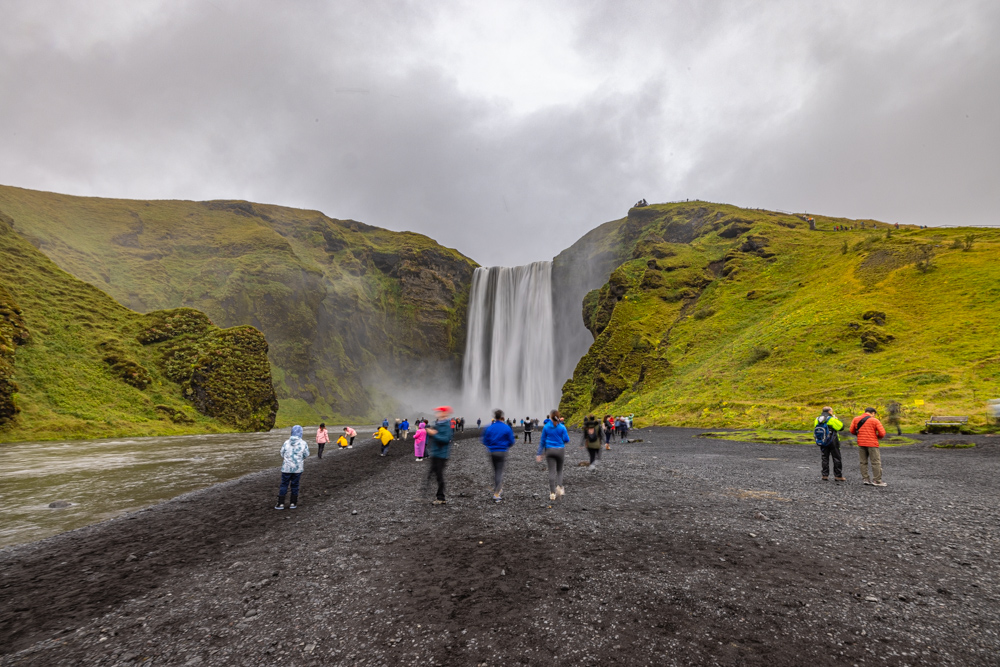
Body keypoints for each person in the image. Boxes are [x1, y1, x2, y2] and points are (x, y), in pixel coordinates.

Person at [481, 409, 516, 502]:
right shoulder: (506, 427)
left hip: (492, 452)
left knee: (495, 470)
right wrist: (506, 446)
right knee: (499, 471)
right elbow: (512, 441)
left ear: (494, 417)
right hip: (502, 451)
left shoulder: (489, 427)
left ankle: (497, 488)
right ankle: (496, 493)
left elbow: (484, 440)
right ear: (502, 417)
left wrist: (490, 445)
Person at [537, 410, 570, 500]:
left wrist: (539, 453)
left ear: (551, 417)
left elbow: (542, 441)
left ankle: (552, 493)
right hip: (560, 450)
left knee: (551, 471)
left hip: (549, 450)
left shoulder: (546, 427)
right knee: (559, 470)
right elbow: (567, 439)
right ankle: (559, 487)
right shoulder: (562, 427)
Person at [275, 425, 310, 510]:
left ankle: (281, 504)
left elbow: (282, 453)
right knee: (295, 485)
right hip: (298, 468)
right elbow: (306, 454)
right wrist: (299, 459)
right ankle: (293, 503)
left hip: (286, 468)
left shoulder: (286, 442)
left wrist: (287, 459)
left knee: (284, 485)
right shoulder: (303, 443)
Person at [851, 407, 888, 486]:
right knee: (875, 462)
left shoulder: (856, 419)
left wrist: (859, 435)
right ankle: (877, 480)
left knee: (863, 462)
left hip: (861, 443)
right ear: (873, 413)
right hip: (872, 444)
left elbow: (852, 430)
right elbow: (882, 432)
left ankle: (866, 479)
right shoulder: (874, 420)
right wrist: (878, 437)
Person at [426, 406, 454, 504]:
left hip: (442, 454)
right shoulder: (437, 423)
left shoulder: (446, 425)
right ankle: (426, 494)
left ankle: (441, 497)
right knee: (431, 474)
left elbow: (446, 439)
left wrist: (434, 434)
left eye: (439, 412)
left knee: (439, 475)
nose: (436, 413)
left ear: (444, 413)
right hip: (435, 452)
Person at [813, 407, 846, 482]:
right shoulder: (831, 419)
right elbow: (841, 427)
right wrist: (836, 419)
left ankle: (825, 475)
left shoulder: (817, 419)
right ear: (829, 411)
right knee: (836, 457)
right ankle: (838, 476)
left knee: (825, 457)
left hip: (822, 440)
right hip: (832, 440)